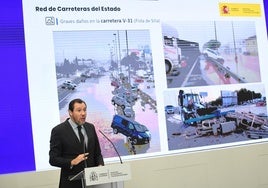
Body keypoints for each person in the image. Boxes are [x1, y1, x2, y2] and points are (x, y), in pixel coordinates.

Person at [49, 98, 104, 188]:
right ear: (70, 112)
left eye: (84, 110)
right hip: (71, 183)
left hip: (93, 182)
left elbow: (97, 154)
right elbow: (53, 159)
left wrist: (100, 165)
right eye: (79, 110)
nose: (83, 113)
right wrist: (72, 162)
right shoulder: (59, 131)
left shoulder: (90, 127)